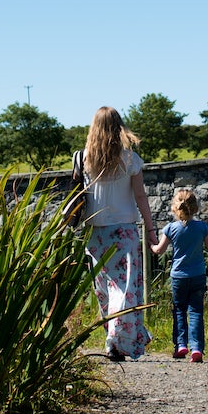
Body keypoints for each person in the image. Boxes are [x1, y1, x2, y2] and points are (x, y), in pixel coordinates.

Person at [78, 106, 158, 361]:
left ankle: (114, 339)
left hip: (96, 233)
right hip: (124, 232)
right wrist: (151, 227)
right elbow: (140, 195)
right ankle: (117, 338)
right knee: (125, 289)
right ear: (119, 127)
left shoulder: (83, 159)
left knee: (105, 290)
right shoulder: (129, 158)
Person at [159, 187, 208, 361]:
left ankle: (181, 345)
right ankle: (196, 348)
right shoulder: (202, 227)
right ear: (195, 208)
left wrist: (152, 246)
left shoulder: (170, 228)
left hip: (178, 276)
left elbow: (160, 250)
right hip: (198, 275)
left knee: (179, 311)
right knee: (196, 311)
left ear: (175, 208)